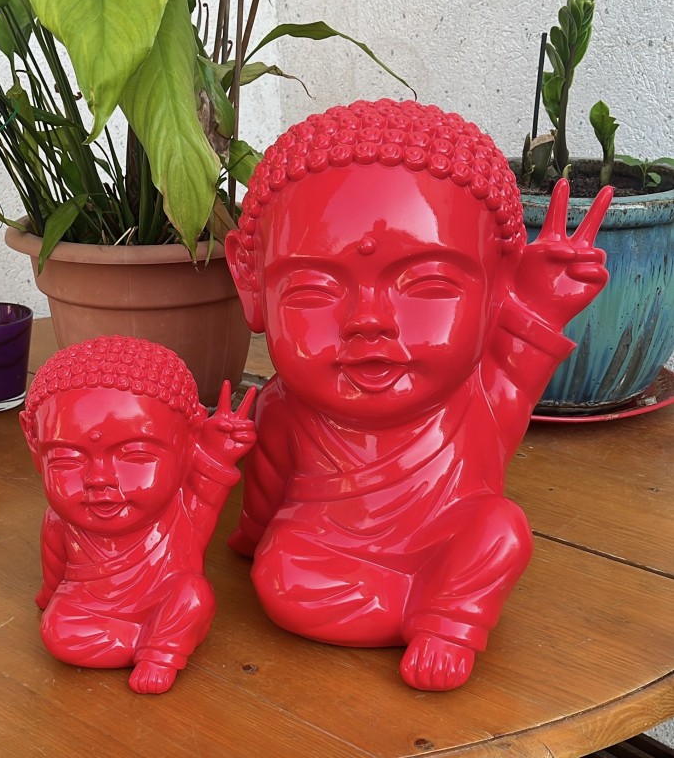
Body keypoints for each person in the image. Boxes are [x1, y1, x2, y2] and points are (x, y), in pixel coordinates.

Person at [224, 99, 612, 691]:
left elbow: (518, 374)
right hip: (327, 549)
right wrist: (254, 536)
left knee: (502, 530)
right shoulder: (283, 407)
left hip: (451, 535)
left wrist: (538, 307)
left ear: (497, 284)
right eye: (313, 289)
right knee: (283, 574)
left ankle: (450, 618)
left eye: (428, 284)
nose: (369, 322)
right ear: (253, 285)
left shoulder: (472, 394)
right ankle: (430, 606)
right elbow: (267, 491)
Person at [20, 336, 256, 694]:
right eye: (68, 459)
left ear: (187, 444)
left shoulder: (181, 507)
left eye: (135, 457)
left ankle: (162, 650)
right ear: (35, 447)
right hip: (91, 608)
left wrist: (216, 455)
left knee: (193, 595)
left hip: (167, 599)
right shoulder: (61, 521)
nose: (99, 479)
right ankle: (151, 638)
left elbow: (209, 483)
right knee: (58, 631)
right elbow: (54, 572)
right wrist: (50, 597)